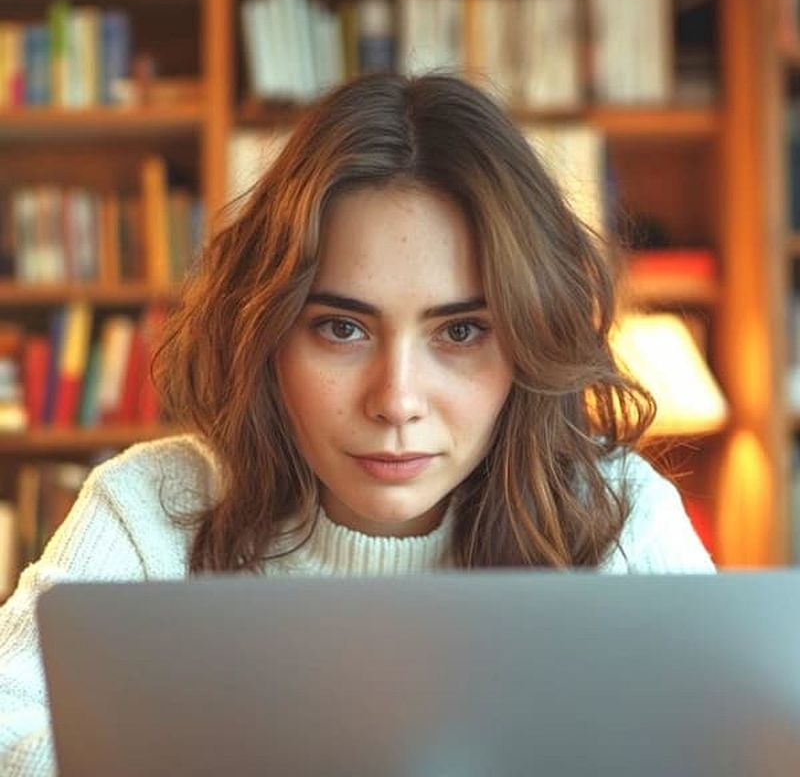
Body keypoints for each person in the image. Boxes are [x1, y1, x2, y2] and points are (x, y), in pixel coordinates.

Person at [0, 72, 714, 774]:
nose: (397, 400)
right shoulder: (148, 513)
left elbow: (729, 746)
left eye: (461, 332)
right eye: (342, 328)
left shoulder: (616, 515)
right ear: (268, 333)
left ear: (528, 341)